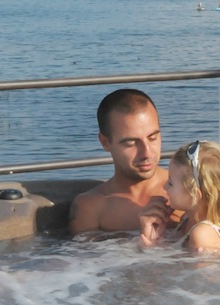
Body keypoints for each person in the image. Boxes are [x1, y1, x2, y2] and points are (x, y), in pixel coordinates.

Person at [68, 89, 177, 234]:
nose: (147, 153)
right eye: (131, 143)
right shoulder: (91, 207)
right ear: (105, 142)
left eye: (152, 138)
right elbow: (82, 256)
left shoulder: (193, 190)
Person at [139, 140, 220, 252]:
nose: (164, 187)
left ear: (195, 195)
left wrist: (149, 252)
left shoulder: (202, 234)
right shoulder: (187, 219)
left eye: (170, 183)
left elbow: (194, 268)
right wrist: (155, 240)